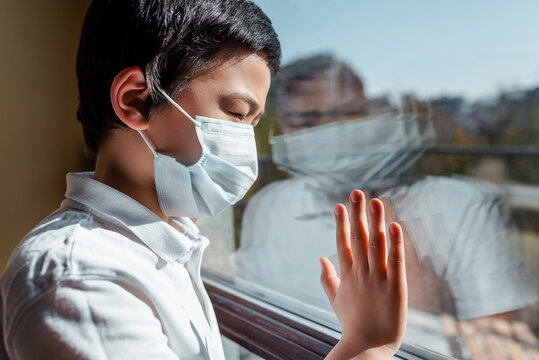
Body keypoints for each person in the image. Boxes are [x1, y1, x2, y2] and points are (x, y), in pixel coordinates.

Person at [0, 1, 408, 359]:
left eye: (254, 122)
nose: (244, 143)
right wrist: (366, 346)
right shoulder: (80, 282)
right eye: (234, 113)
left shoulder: (163, 244)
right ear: (136, 101)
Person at [232, 54, 538, 356]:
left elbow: (508, 349)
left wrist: (423, 327)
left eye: (349, 114)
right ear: (283, 127)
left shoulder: (462, 207)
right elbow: (247, 332)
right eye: (308, 120)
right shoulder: (269, 209)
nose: (332, 131)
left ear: (370, 113)